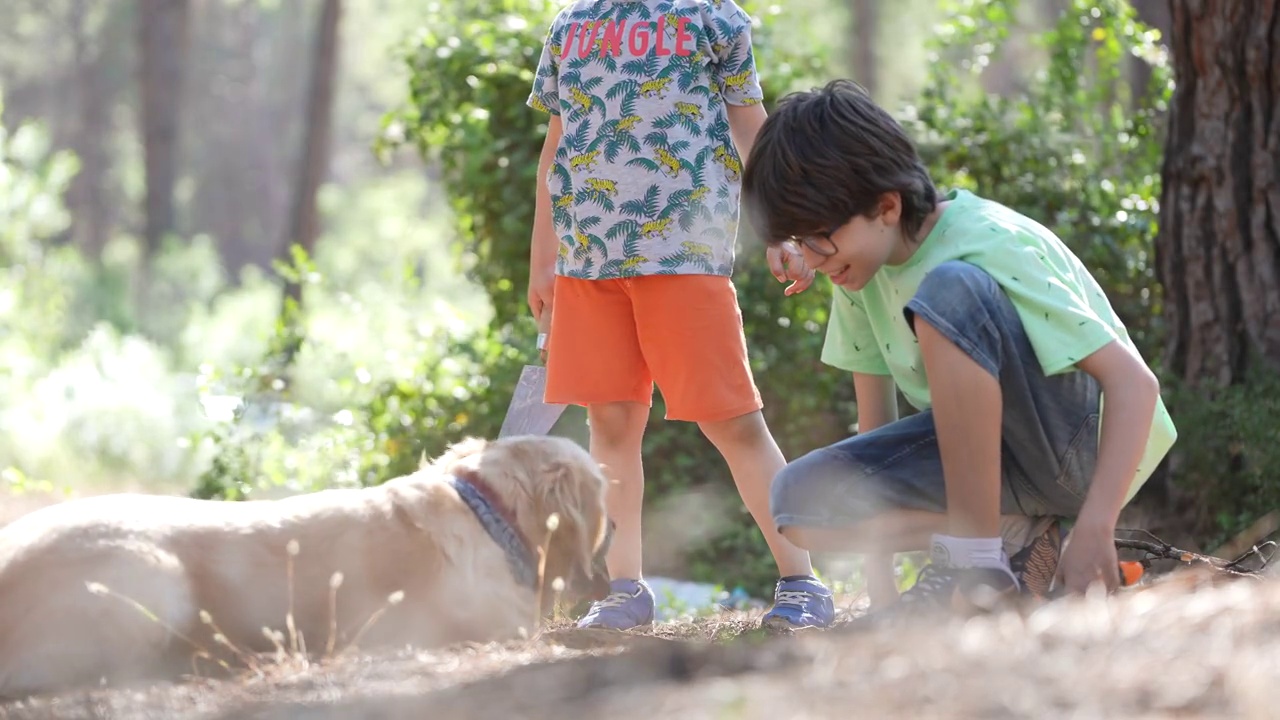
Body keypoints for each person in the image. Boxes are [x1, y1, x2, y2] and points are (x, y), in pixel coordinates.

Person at [738, 78, 1178, 613]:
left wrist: (1097, 526)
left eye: (820, 237)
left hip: (1080, 449)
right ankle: (1013, 536)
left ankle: (976, 561)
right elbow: (879, 432)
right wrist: (882, 595)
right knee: (797, 499)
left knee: (949, 289)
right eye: (798, 240)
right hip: (990, 466)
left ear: (886, 206)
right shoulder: (857, 271)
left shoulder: (988, 241)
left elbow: (1134, 382)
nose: (813, 257)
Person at [523, 0, 834, 630]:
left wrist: (784, 227)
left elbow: (753, 131)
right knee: (609, 428)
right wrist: (543, 261)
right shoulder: (571, 23)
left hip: (684, 256)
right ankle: (624, 588)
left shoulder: (714, 18)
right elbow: (557, 146)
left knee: (733, 422)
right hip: (588, 263)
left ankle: (803, 581)